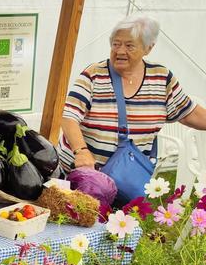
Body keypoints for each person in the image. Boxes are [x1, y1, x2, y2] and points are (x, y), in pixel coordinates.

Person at [60, 14, 206, 173]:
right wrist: (81, 151)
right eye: (116, 44)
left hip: (129, 177)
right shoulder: (94, 75)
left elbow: (188, 113)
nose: (120, 51)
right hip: (87, 174)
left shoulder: (161, 77)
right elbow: (69, 116)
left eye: (129, 46)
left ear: (148, 48)